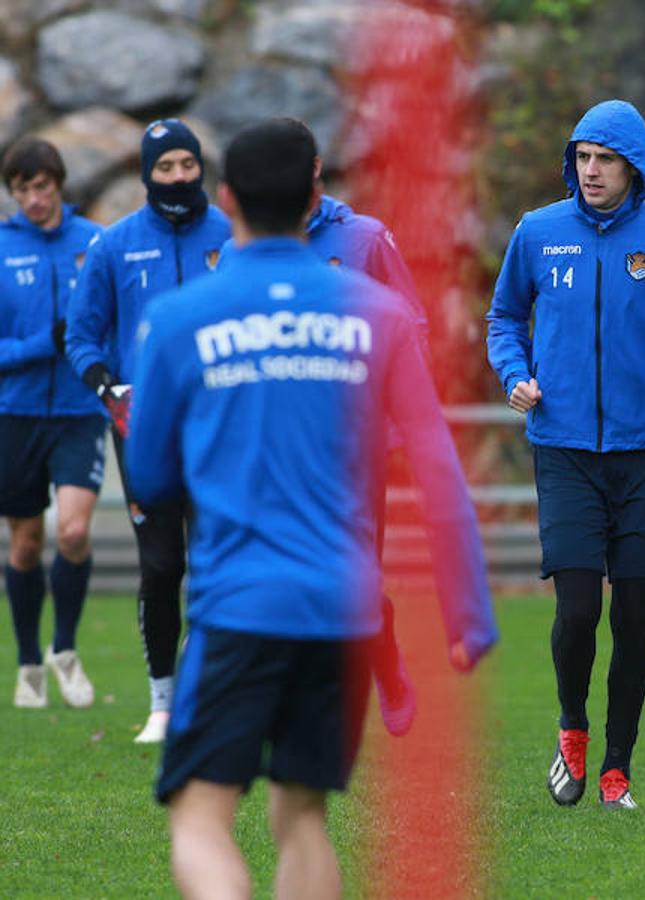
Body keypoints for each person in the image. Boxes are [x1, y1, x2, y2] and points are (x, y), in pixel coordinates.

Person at [124, 118, 497, 897]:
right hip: (344, 608)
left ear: (225, 199)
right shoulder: (378, 314)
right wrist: (469, 613)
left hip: (239, 607)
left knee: (199, 816)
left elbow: (151, 479)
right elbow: (436, 466)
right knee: (302, 817)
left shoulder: (181, 319)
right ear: (314, 198)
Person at [486, 99, 645, 809]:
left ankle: (618, 769)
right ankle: (572, 728)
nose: (591, 171)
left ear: (634, 167)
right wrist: (516, 374)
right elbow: (504, 316)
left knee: (632, 617)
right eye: (583, 158)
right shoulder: (538, 232)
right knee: (575, 611)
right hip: (563, 451)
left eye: (606, 160)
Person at [219, 121, 423, 735]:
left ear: (316, 170)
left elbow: (411, 329)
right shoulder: (238, 249)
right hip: (268, 448)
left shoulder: (363, 238)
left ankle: (381, 657)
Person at [64, 119, 232, 743]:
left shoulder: (232, 236)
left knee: (219, 564)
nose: (179, 177)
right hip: (146, 430)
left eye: (188, 164)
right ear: (146, 174)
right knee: (162, 568)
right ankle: (162, 704)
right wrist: (108, 388)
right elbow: (82, 336)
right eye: (166, 168)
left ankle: (210, 693)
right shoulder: (114, 245)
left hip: (223, 427)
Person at [0, 137, 104, 709]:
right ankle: (27, 663)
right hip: (15, 414)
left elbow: (109, 322)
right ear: (12, 193)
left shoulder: (94, 243)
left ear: (58, 184)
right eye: (23, 189)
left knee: (72, 532)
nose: (35, 198)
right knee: (25, 543)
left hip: (79, 413)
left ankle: (64, 648)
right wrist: (44, 344)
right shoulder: (2, 248)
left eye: (43, 186)